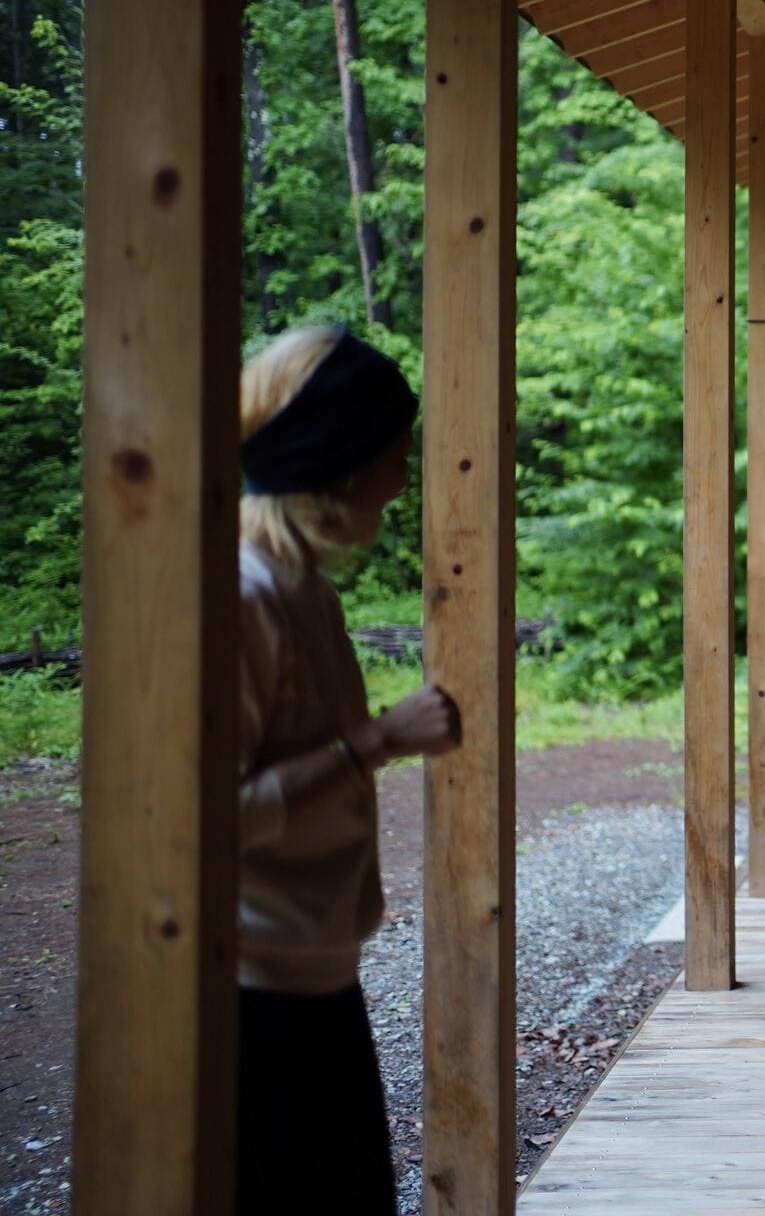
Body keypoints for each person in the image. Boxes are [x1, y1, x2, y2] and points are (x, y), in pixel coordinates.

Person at [234, 326, 461, 1212]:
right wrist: (376, 739)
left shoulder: (305, 589)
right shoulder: (244, 594)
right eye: (392, 456)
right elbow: (206, 820)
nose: (402, 479)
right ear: (339, 465)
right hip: (254, 1002)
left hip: (321, 985)